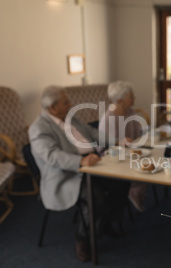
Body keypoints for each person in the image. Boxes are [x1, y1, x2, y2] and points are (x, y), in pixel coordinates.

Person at [29, 86, 130, 262]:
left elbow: (91, 132)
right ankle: (82, 239)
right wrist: (79, 162)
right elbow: (52, 156)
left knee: (122, 180)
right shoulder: (38, 128)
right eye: (65, 102)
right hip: (66, 174)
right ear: (52, 108)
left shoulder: (69, 117)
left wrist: (116, 142)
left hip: (91, 163)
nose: (70, 104)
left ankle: (103, 223)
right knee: (95, 197)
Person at [99, 80, 148, 212]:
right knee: (144, 167)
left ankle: (136, 189)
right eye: (131, 96)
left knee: (151, 163)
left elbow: (137, 134)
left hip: (129, 153)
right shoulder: (108, 118)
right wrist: (121, 143)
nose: (134, 98)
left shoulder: (130, 112)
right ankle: (134, 190)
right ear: (120, 99)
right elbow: (105, 146)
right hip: (112, 158)